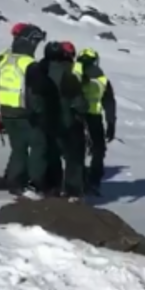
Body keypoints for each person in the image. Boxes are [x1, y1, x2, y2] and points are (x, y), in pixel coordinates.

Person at [0, 22, 49, 197]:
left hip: (6, 111)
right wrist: (41, 112)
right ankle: (35, 184)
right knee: (38, 146)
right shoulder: (29, 64)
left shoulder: (5, 59)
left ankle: (14, 182)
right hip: (24, 113)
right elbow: (38, 92)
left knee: (18, 148)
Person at [39, 41, 87, 200]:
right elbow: (79, 103)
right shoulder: (68, 75)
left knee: (52, 155)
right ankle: (72, 192)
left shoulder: (40, 70)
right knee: (74, 158)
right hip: (67, 122)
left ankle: (52, 188)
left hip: (46, 120)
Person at [76, 47, 118, 196]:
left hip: (75, 117)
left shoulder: (73, 74)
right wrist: (111, 123)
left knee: (76, 150)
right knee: (98, 150)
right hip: (94, 117)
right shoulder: (102, 79)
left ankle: (76, 179)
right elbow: (109, 103)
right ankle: (94, 181)